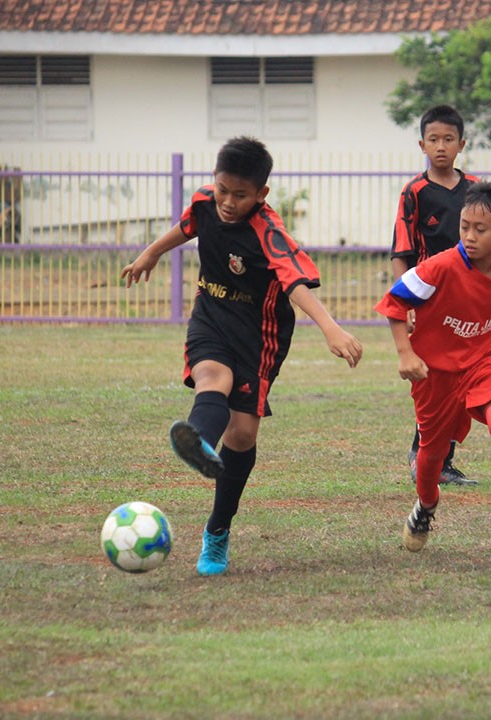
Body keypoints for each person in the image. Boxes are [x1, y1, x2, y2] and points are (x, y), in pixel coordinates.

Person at [120, 137, 363, 577]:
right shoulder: (205, 204)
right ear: (214, 182)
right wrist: (151, 252)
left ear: (261, 195)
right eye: (222, 190)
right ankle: (199, 441)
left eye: (240, 195)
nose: (228, 203)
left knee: (245, 434)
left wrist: (330, 327)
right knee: (212, 377)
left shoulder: (268, 233)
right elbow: (188, 224)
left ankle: (217, 528)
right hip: (210, 315)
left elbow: (295, 284)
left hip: (258, 334)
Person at [376, 181, 491, 552]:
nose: (469, 236)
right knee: (432, 453)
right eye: (464, 226)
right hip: (436, 374)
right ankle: (426, 505)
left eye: (481, 229)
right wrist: (405, 354)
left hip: (487, 362)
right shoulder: (439, 268)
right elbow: (394, 303)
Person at [391, 104, 481, 487]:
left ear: (461, 144)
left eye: (448, 139)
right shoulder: (414, 192)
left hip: (470, 299)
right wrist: (405, 301)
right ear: (421, 145)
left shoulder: (476, 189)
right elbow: (402, 251)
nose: (440, 146)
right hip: (429, 298)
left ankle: (440, 459)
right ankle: (424, 454)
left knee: (463, 378)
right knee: (435, 381)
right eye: (433, 139)